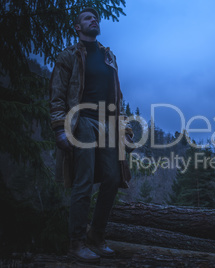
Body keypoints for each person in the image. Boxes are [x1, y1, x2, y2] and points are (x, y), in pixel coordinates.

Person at [49, 7, 133, 263]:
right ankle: (76, 243)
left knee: (112, 178)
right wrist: (59, 128)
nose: (93, 20)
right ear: (77, 27)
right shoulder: (69, 56)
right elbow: (57, 95)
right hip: (82, 121)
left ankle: (96, 236)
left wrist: (124, 129)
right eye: (87, 18)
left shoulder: (109, 57)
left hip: (108, 123)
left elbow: (117, 96)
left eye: (95, 18)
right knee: (83, 180)